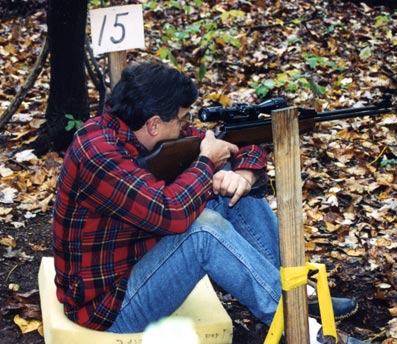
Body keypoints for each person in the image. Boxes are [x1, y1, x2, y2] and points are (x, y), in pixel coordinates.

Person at [52, 62, 365, 343]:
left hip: (138, 261)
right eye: (181, 119)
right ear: (154, 125)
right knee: (203, 231)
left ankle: (294, 293)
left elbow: (234, 143)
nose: (186, 127)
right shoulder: (98, 153)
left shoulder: (138, 130)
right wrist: (206, 162)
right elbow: (171, 212)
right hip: (109, 310)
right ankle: (307, 333)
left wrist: (241, 173)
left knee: (228, 184)